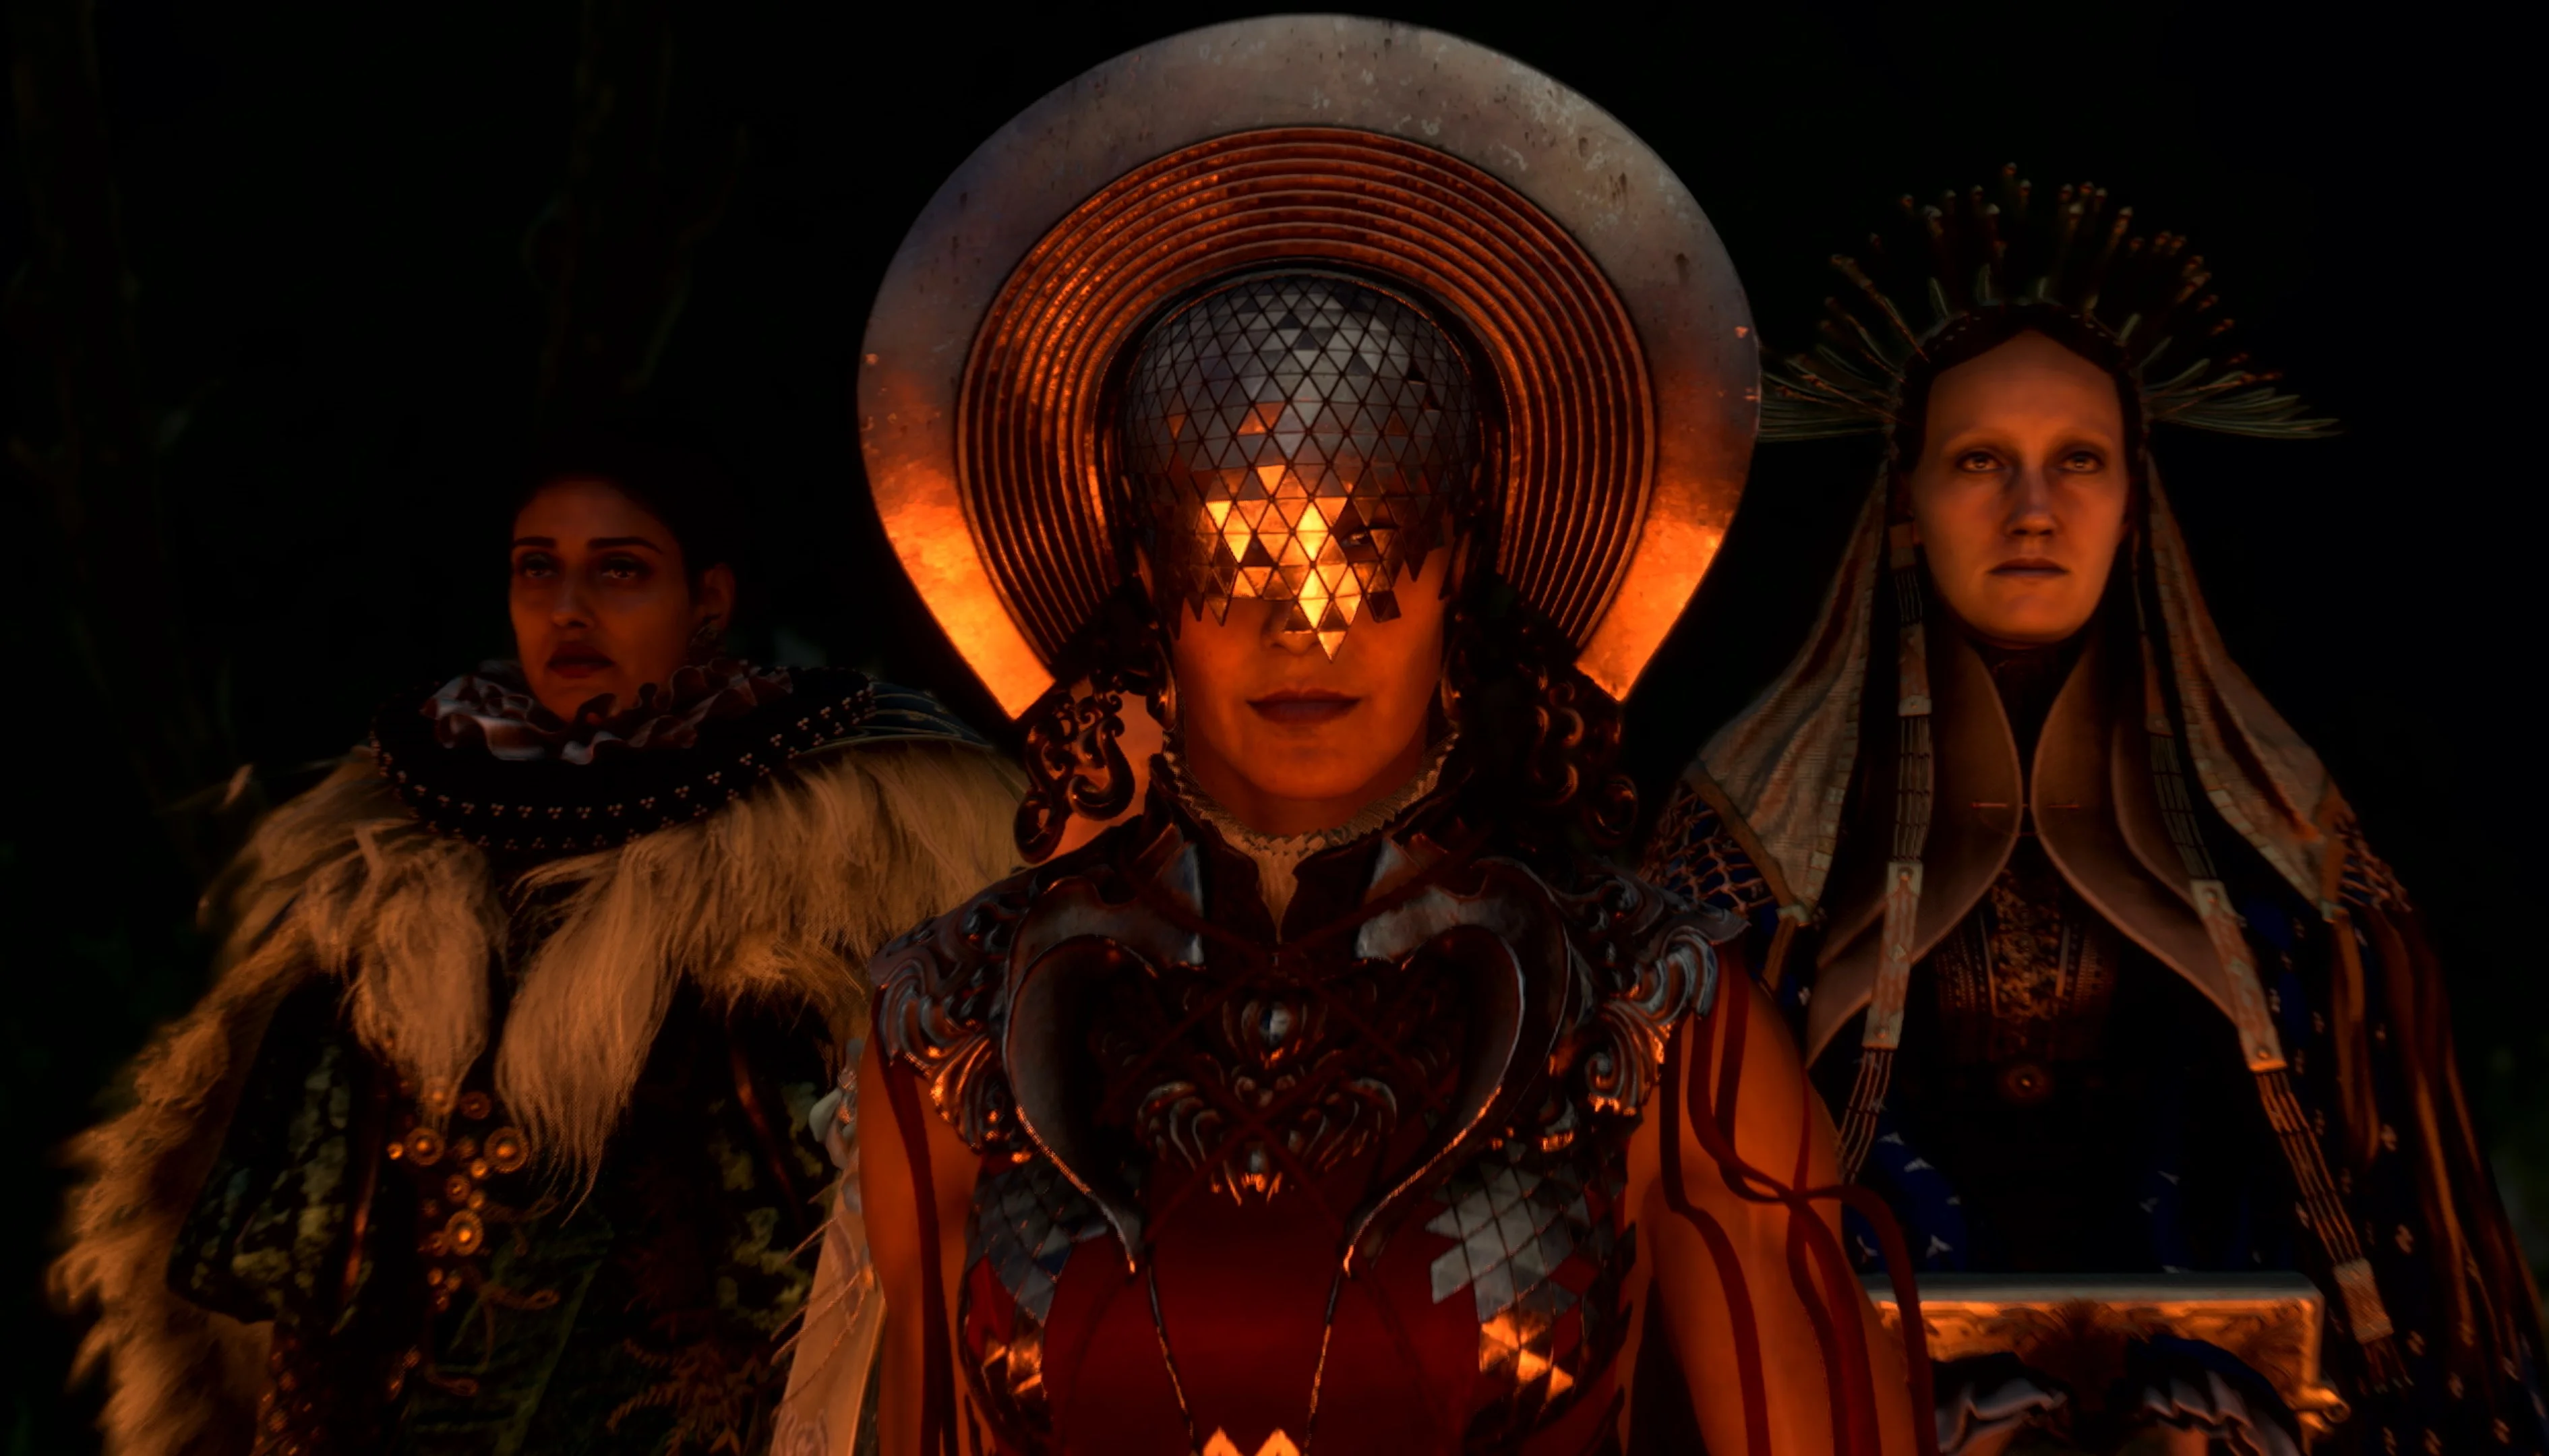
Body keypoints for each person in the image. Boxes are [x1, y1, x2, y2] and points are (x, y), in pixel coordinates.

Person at [823, 20, 1930, 1456]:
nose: (1306, 626)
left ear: (1462, 561)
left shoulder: (1660, 1011)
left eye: (1367, 543)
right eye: (1234, 550)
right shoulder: (955, 1016)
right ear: (1145, 569)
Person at [1648, 171, 2549, 1453]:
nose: (2034, 510)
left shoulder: (2282, 837)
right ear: (1905, 495)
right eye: (1981, 461)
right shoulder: (1749, 841)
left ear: (2136, 499)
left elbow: (2403, 1255)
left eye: (2078, 460)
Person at [51, 433, 1023, 1455]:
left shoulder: (847, 849)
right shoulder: (396, 851)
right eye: (536, 569)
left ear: (707, 598)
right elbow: (319, 1277)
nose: (568, 608)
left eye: (619, 570)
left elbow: (895, 1234)